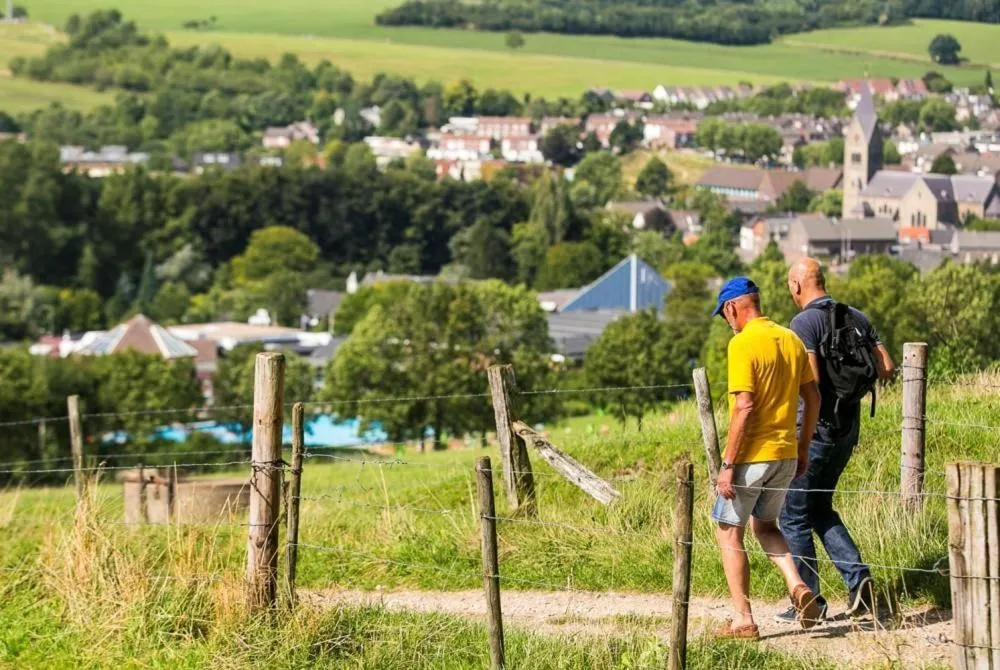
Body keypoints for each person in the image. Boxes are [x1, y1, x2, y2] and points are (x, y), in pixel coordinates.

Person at [776, 258, 897, 625]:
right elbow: (887, 366)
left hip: (815, 430)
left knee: (792, 514)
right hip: (848, 430)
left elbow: (810, 378)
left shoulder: (803, 322)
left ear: (797, 286)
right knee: (820, 508)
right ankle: (859, 581)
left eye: (789, 286)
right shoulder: (856, 316)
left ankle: (809, 601)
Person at [710, 277, 823, 640]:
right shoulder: (790, 338)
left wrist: (728, 465)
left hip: (751, 457)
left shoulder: (742, 344)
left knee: (728, 532)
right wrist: (802, 448)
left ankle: (743, 619)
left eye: (725, 315)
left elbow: (744, 406)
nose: (727, 322)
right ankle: (798, 587)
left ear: (732, 308)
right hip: (785, 454)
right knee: (767, 526)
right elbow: (813, 398)